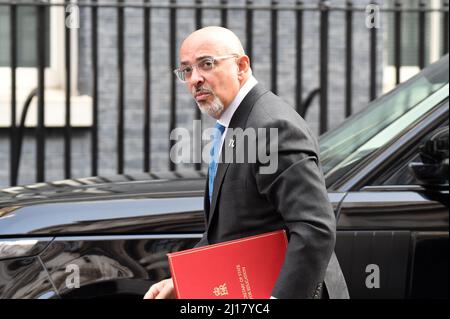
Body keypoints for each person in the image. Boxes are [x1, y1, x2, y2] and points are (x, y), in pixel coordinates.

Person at [144, 26, 336, 299]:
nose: (195, 79)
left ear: (241, 66)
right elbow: (229, 230)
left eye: (206, 64)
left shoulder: (273, 127)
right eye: (186, 70)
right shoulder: (232, 125)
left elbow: (315, 228)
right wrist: (181, 281)